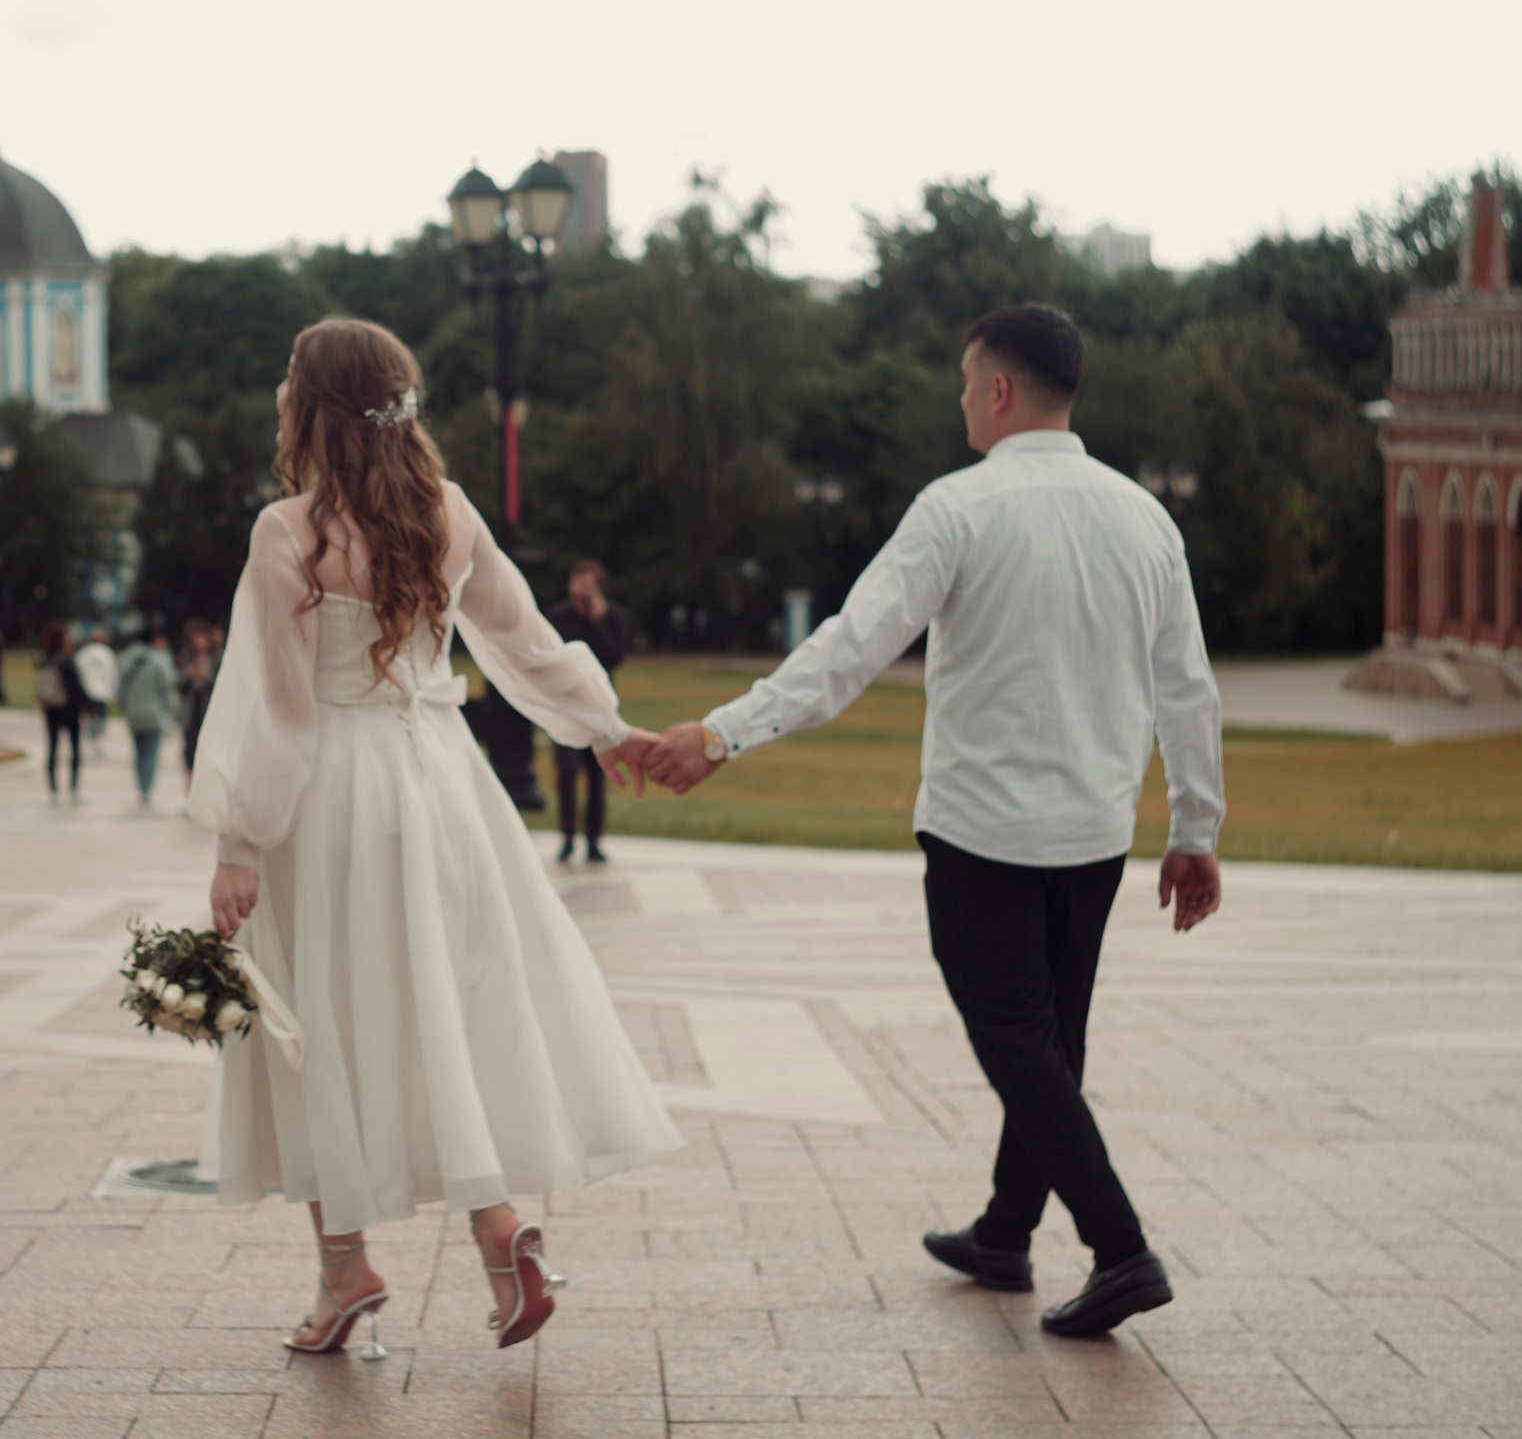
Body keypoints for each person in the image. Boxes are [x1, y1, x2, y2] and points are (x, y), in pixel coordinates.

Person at [641, 303, 1224, 1339]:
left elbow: (849, 647)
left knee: (1015, 1041)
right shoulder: (1146, 517)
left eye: (965, 382)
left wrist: (723, 735)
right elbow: (1186, 687)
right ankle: (1004, 1232)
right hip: (1094, 834)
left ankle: (1120, 1249)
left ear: (998, 390)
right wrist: (1193, 829)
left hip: (981, 835)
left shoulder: (956, 509)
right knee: (1049, 1043)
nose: (961, 399)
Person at [190, 318, 681, 1363]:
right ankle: (502, 1239)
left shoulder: (288, 532)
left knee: (320, 1016)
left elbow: (273, 709)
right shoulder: (450, 515)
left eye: (288, 375)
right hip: (445, 787)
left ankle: (344, 1270)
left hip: (328, 796)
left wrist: (239, 840)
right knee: (451, 1005)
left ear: (316, 406)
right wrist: (602, 727)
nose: (278, 389)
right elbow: (527, 643)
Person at [547, 559, 631, 865]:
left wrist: (597, 620)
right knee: (567, 772)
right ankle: (567, 836)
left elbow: (614, 656)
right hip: (568, 705)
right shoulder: (558, 616)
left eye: (586, 584)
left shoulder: (614, 617)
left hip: (599, 705)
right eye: (576, 582)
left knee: (599, 772)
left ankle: (594, 839)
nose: (579, 589)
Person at [115, 623, 180, 805]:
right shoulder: (158, 661)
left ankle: (141, 785)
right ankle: (146, 788)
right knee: (150, 753)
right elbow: (167, 688)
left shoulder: (127, 659)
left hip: (133, 714)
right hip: (153, 715)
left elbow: (120, 688)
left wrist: (124, 708)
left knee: (138, 752)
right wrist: (169, 711)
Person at [34, 620, 90, 801]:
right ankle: (73, 787)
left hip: (50, 706)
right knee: (74, 748)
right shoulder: (67, 659)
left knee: (52, 746)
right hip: (70, 707)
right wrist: (87, 703)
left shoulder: (42, 659)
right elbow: (76, 685)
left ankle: (53, 786)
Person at [177, 619, 221, 783]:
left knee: (210, 758)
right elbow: (180, 688)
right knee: (189, 757)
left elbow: (223, 686)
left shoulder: (217, 659)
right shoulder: (188, 658)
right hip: (191, 714)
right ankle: (189, 796)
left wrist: (206, 677)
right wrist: (187, 676)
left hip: (210, 715)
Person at [74, 625, 119, 757]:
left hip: (88, 690)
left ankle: (93, 740)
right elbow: (113, 673)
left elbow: (78, 671)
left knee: (90, 716)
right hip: (102, 691)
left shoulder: (83, 653)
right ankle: (99, 739)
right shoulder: (107, 653)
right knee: (101, 716)